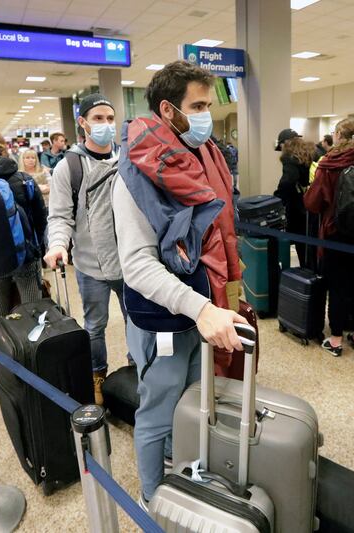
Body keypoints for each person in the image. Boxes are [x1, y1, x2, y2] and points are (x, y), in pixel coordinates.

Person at [112, 60, 246, 507]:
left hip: (198, 309)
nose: (208, 114)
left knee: (190, 400)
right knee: (157, 411)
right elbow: (137, 266)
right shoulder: (135, 174)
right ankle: (154, 499)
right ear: (169, 111)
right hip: (164, 317)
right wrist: (201, 308)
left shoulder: (201, 159)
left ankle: (180, 469)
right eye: (200, 105)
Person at [44, 93, 129, 406]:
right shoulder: (69, 166)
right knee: (95, 325)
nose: (105, 124)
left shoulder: (127, 160)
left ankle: (138, 371)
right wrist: (57, 245)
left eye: (109, 118)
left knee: (136, 321)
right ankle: (97, 376)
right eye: (98, 119)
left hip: (129, 262)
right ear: (82, 123)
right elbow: (60, 215)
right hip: (89, 264)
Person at [304, 118, 354, 356]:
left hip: (335, 234)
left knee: (338, 287)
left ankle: (335, 338)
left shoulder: (330, 163)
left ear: (339, 135)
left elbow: (313, 203)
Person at [0, 130, 47, 341]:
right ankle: (33, 354)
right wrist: (38, 248)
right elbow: (40, 219)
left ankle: (3, 359)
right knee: (32, 307)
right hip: (23, 255)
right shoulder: (23, 180)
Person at [274, 136, 315, 266]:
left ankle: (303, 274)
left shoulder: (289, 158)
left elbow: (288, 181)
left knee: (299, 242)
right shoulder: (308, 154)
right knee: (309, 247)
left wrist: (277, 198)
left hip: (296, 207)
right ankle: (310, 273)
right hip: (310, 204)